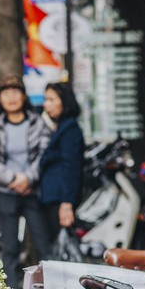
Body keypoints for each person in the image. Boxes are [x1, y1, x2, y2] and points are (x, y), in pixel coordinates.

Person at [0, 73, 51, 289]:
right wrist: (12, 178)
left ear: (23, 96)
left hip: (32, 191)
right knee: (9, 248)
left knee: (43, 246)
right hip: (6, 192)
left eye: (15, 92)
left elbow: (45, 154)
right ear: (0, 99)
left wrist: (28, 178)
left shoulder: (37, 123)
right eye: (6, 94)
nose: (11, 98)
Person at [39, 82, 86, 247]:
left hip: (60, 200)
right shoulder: (62, 127)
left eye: (52, 100)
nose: (46, 105)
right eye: (46, 100)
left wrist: (66, 204)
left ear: (64, 101)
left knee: (62, 249)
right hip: (54, 198)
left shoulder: (70, 129)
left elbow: (71, 167)